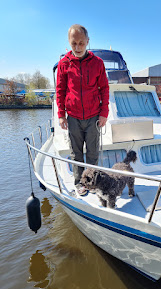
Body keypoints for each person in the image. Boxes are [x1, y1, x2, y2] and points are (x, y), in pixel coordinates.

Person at [56, 24, 109, 195]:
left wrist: (104, 113)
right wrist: (61, 115)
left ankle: (92, 183)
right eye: (74, 44)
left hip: (94, 116)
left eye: (81, 43)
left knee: (93, 153)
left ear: (87, 41)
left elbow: (104, 89)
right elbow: (60, 90)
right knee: (76, 153)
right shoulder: (64, 64)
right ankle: (79, 183)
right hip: (73, 117)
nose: (77, 47)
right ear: (69, 43)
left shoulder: (97, 63)